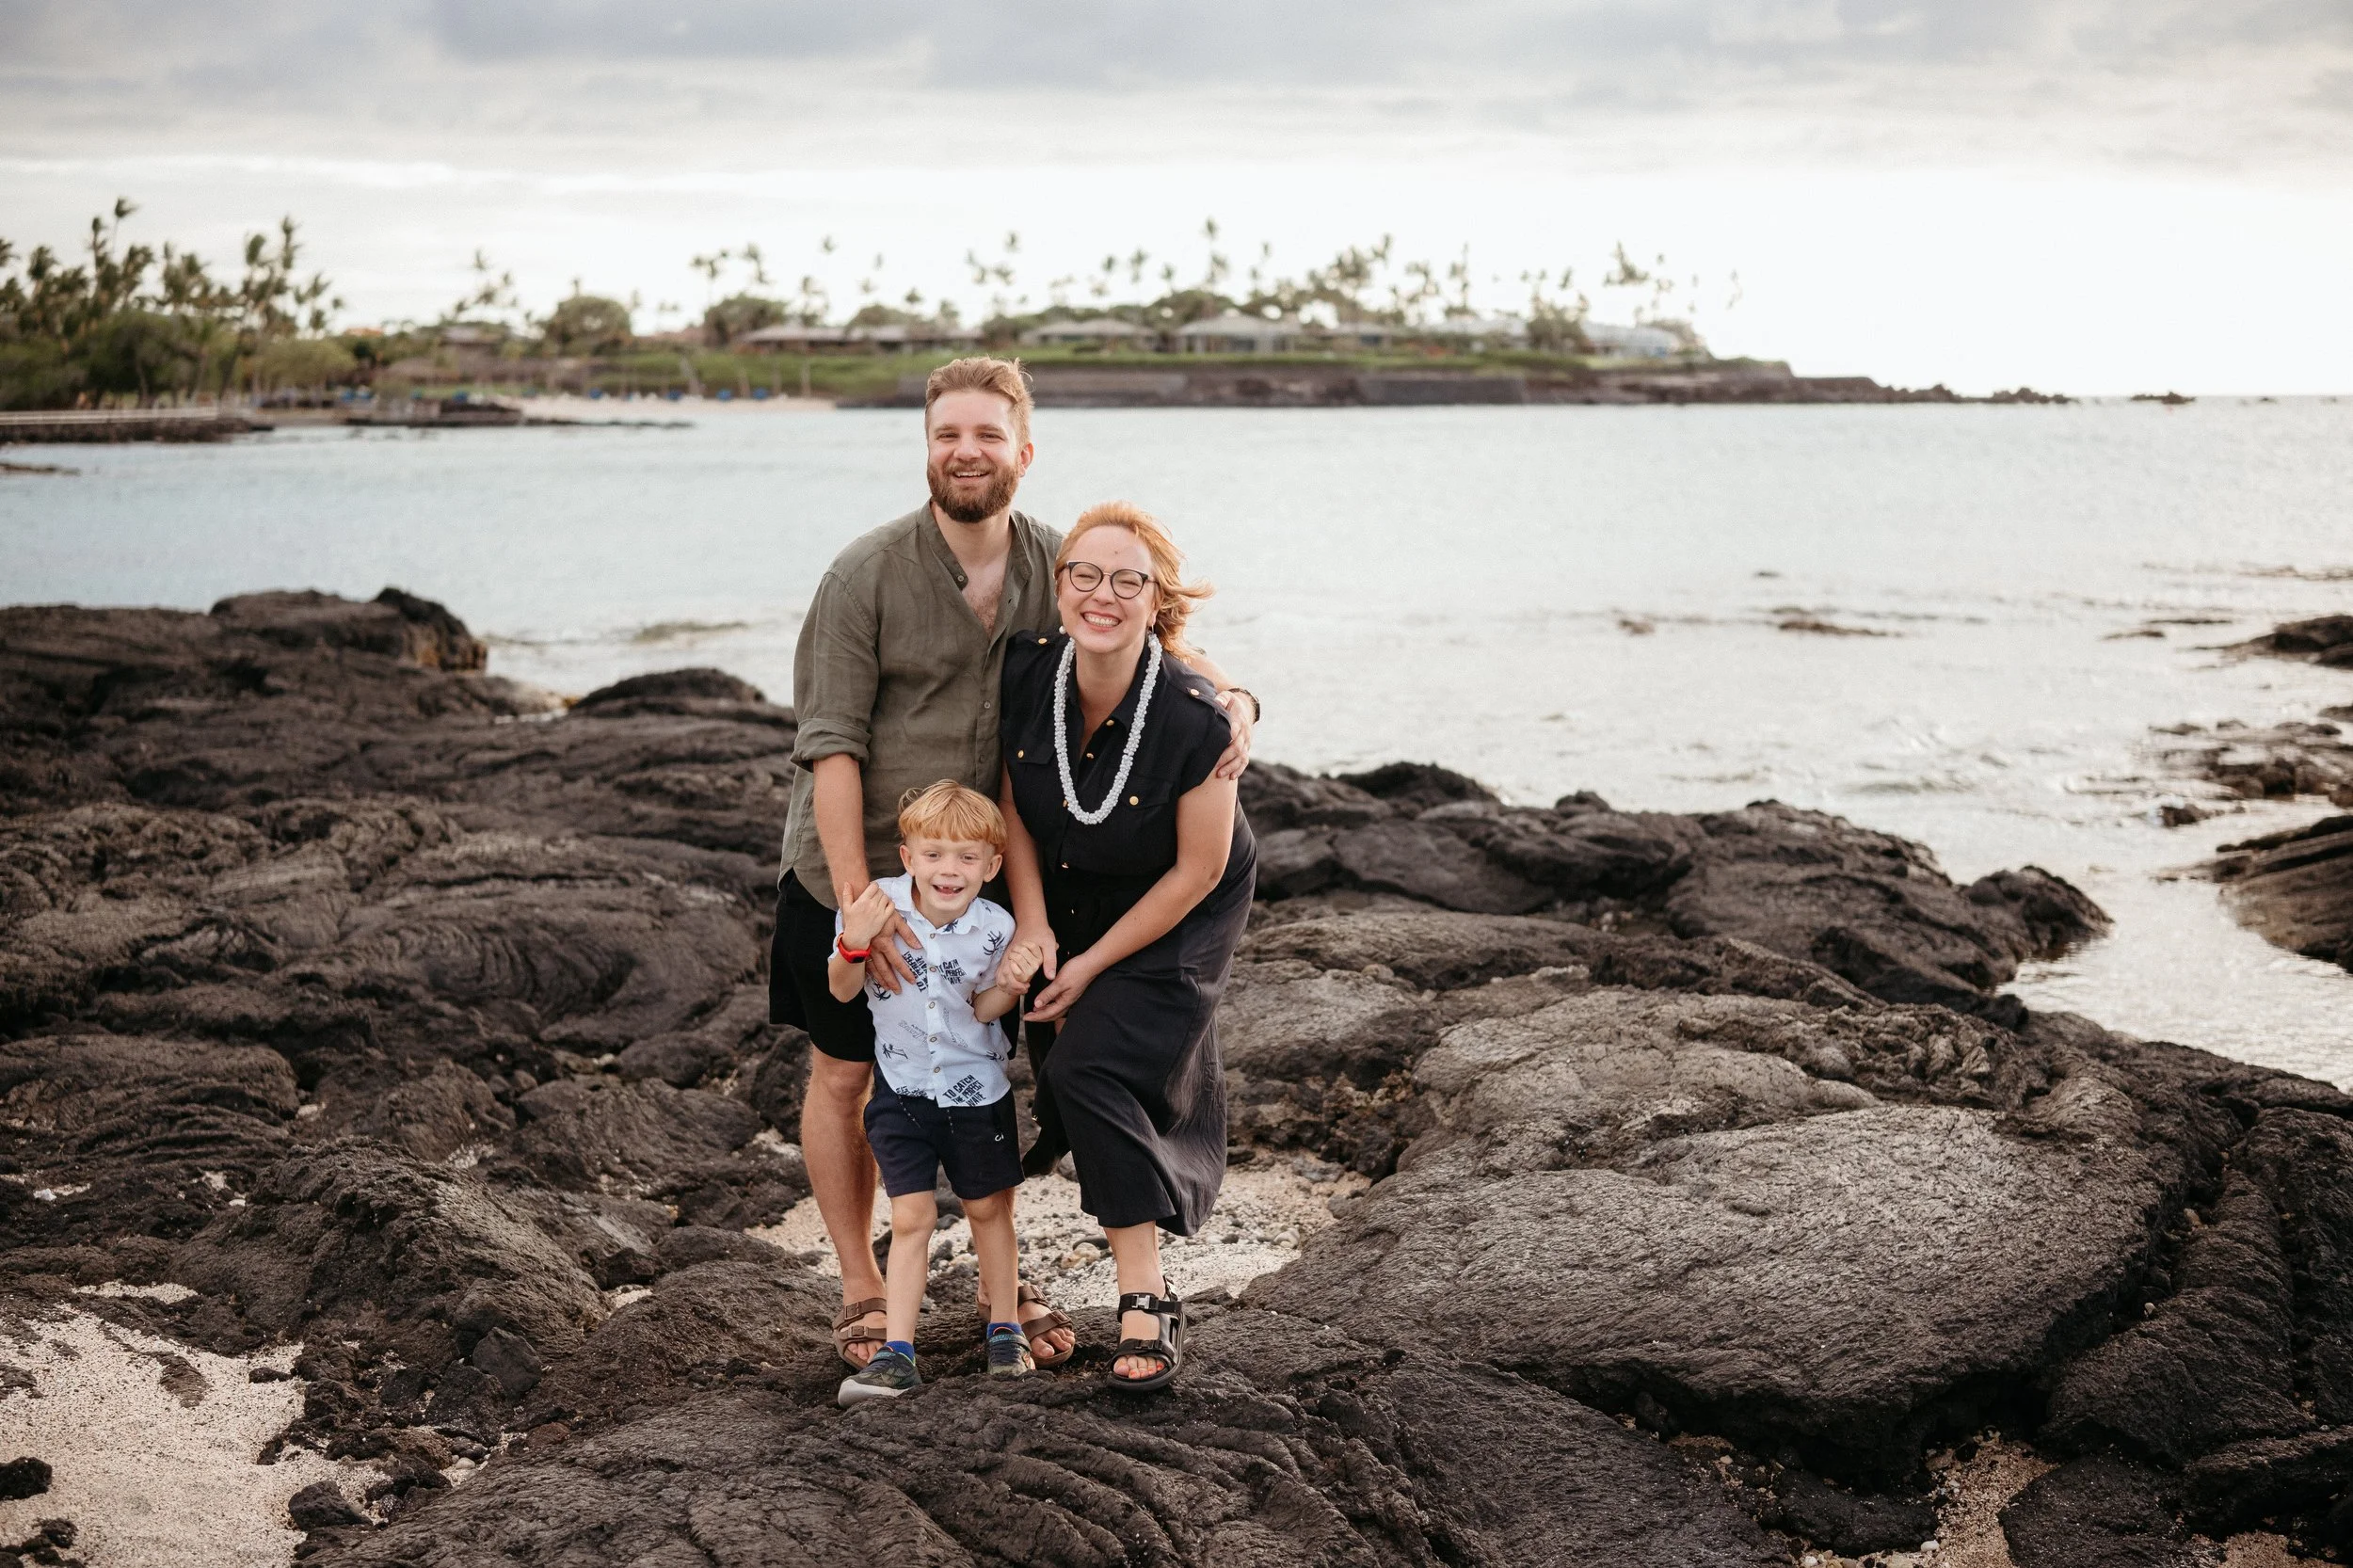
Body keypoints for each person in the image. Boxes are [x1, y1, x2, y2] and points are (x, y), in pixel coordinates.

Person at [771, 357, 1258, 1369]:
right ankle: (863, 1284)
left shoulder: (1056, 560)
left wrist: (1240, 699)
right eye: (949, 432)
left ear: (1023, 453)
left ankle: (1003, 1278)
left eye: (988, 434)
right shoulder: (862, 576)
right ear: (926, 445)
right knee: (847, 1071)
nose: (967, 451)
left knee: (980, 1069)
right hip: (858, 872)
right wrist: (864, 905)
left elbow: (1155, 636)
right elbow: (831, 750)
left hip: (984, 881)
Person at [996, 501, 1257, 1391]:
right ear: (1060, 585)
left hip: (1178, 903)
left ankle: (1146, 1296)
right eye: (1085, 575)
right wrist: (1034, 928)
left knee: (1088, 1067)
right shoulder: (1026, 673)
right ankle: (1010, 1287)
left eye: (1128, 580)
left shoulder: (1196, 720)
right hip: (1063, 885)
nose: (1102, 594)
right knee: (1056, 1054)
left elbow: (1197, 869)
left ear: (1158, 602)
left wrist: (1094, 962)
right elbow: (1012, 813)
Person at [831, 782, 1046, 1405]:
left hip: (976, 1093)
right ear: (908, 857)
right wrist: (855, 938)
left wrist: (1011, 985)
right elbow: (842, 988)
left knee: (988, 1211)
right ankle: (898, 1353)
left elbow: (985, 1008)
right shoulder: (878, 905)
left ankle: (1005, 1329)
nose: (948, 870)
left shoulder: (995, 927)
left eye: (966, 857)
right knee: (910, 1217)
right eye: (934, 854)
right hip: (900, 1092)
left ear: (993, 865)